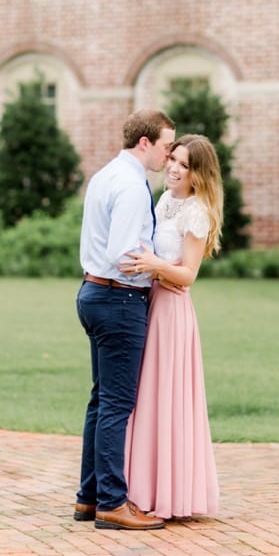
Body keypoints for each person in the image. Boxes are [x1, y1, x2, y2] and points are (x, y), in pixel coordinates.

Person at [75, 108, 176, 531]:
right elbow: (124, 254)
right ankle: (113, 503)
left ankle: (88, 497)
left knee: (101, 401)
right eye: (168, 145)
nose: (170, 155)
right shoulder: (134, 187)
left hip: (93, 292)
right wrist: (158, 267)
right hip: (119, 299)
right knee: (117, 404)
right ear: (145, 143)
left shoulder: (104, 175)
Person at [120, 133, 225, 520]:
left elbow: (188, 274)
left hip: (173, 312)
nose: (174, 168)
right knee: (145, 397)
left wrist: (154, 266)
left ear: (198, 174)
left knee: (166, 397)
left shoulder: (197, 212)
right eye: (173, 160)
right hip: (150, 305)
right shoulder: (164, 201)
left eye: (184, 165)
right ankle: (138, 487)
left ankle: (170, 493)